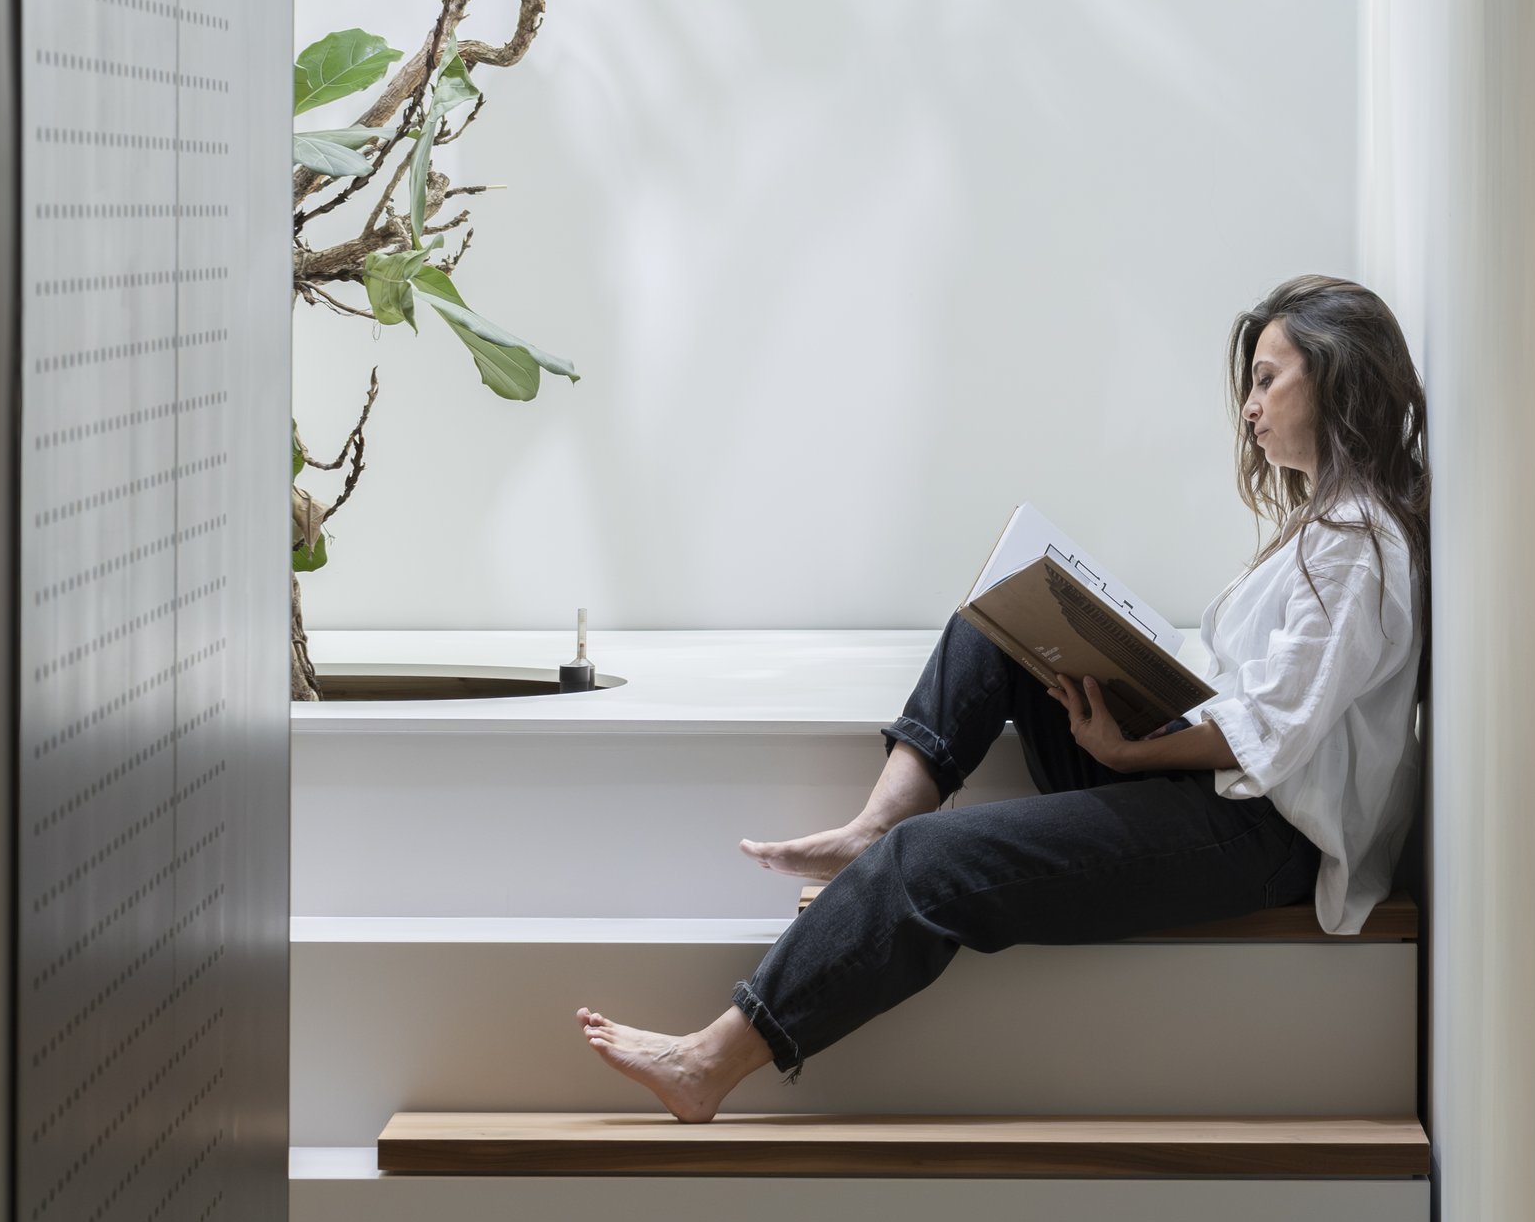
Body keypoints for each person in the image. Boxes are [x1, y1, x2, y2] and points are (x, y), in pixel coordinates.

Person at [577, 275, 1429, 1122]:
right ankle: (876, 824)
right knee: (1004, 617)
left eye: (1268, 378)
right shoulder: (1332, 527)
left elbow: (1269, 731)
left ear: (1338, 377)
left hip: (1262, 835)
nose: (1249, 407)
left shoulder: (1358, 544)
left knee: (927, 865)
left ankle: (710, 1061)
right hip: (1227, 799)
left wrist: (1132, 752)